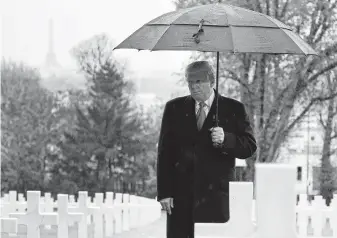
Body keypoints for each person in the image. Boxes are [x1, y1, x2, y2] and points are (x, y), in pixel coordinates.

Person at [156, 60, 257, 238]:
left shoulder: (233, 109)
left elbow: (249, 146)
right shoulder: (173, 108)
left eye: (198, 82)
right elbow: (164, 154)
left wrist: (227, 139)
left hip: (216, 198)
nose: (193, 87)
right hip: (181, 198)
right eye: (190, 82)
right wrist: (164, 192)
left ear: (211, 81)